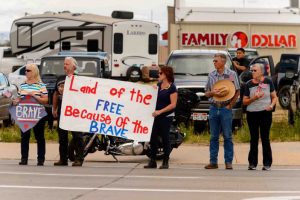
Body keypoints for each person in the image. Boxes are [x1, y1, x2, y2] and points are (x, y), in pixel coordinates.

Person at [204, 53, 240, 170]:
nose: (214, 62)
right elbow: (206, 92)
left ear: (223, 62)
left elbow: (237, 91)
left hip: (225, 108)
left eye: (216, 61)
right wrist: (212, 93)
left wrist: (230, 105)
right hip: (214, 107)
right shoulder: (211, 75)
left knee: (227, 136)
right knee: (213, 136)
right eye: (213, 61)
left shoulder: (231, 74)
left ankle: (228, 162)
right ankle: (213, 161)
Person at [243, 63, 277, 171]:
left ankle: (267, 163)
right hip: (252, 113)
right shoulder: (248, 84)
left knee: (265, 138)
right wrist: (254, 98)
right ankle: (252, 163)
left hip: (265, 113)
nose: (252, 72)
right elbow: (244, 102)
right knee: (254, 138)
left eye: (254, 70)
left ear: (261, 72)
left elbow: (274, 97)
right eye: (251, 70)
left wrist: (271, 106)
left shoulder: (268, 81)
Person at [12, 63, 48, 166]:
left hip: (37, 114)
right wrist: (16, 101)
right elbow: (19, 98)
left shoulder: (41, 85)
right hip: (25, 114)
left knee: (39, 136)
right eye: (25, 70)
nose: (26, 72)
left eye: (28, 70)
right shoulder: (23, 85)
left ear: (34, 72)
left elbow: (45, 100)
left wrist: (34, 96)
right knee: (24, 137)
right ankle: (24, 158)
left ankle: (41, 159)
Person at [52, 57, 84, 167]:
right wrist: (54, 108)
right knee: (62, 137)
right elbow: (56, 94)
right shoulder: (60, 78)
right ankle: (63, 159)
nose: (64, 66)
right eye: (64, 63)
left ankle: (79, 159)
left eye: (67, 64)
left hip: (74, 112)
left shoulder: (79, 80)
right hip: (62, 111)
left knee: (77, 136)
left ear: (74, 67)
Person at [144, 66, 178, 169]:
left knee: (165, 137)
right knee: (153, 137)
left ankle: (165, 161)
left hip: (166, 116)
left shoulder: (172, 88)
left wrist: (160, 111)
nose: (158, 75)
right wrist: (152, 90)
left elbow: (173, 104)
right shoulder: (158, 85)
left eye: (160, 73)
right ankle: (152, 160)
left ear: (166, 74)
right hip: (156, 116)